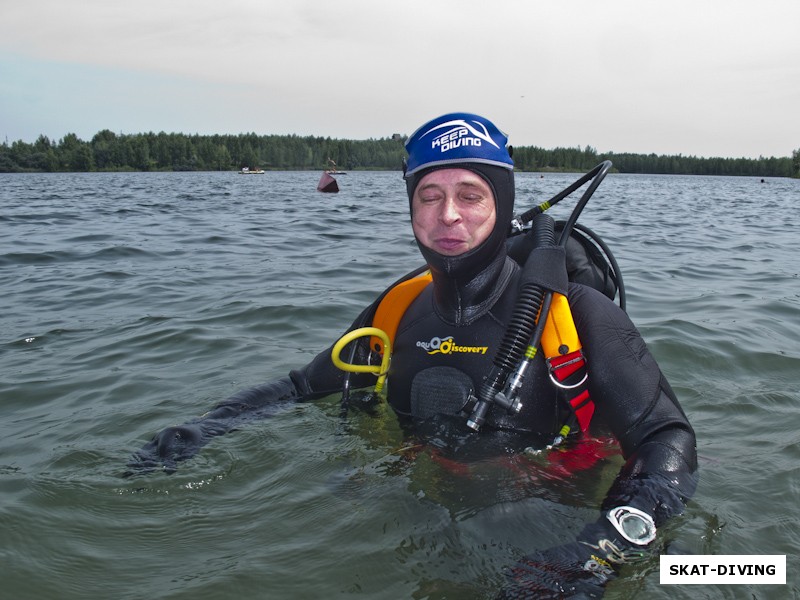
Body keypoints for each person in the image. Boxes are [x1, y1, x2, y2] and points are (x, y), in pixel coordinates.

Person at [130, 113, 697, 597]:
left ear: (500, 204)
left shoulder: (576, 313)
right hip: (414, 526)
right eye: (430, 196)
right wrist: (208, 426)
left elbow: (666, 438)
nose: (448, 214)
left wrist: (598, 550)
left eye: (470, 196)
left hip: (555, 517)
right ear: (411, 207)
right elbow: (304, 386)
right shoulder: (396, 309)